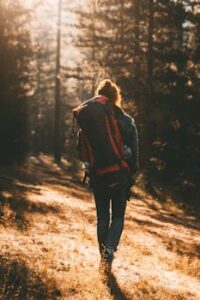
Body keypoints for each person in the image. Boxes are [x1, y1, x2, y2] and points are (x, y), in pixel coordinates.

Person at [76, 79, 138, 276]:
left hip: (98, 176)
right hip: (120, 173)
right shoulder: (126, 121)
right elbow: (135, 152)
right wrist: (132, 173)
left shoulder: (89, 121)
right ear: (115, 97)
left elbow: (81, 149)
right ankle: (109, 250)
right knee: (118, 216)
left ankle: (104, 258)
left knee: (102, 217)